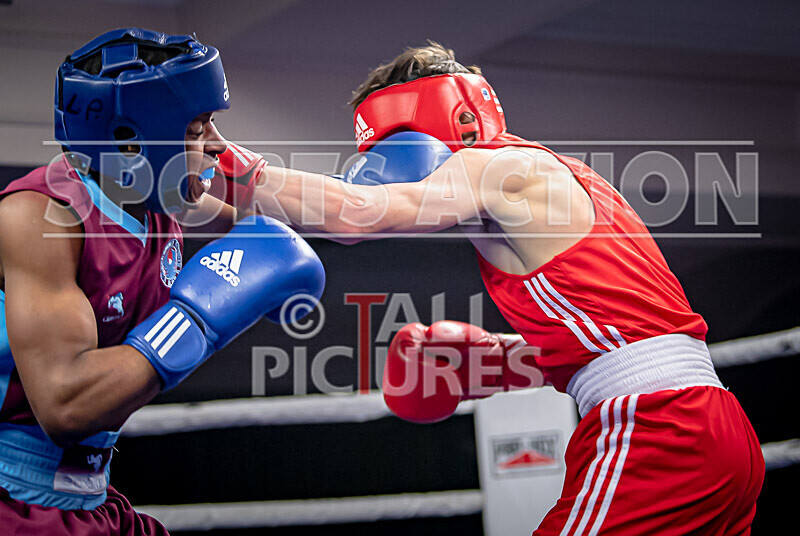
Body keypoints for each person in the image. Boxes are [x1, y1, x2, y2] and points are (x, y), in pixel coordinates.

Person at [247, 43, 764, 534]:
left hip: (655, 428)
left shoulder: (491, 165)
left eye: (399, 145)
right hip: (718, 427)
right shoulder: (564, 177)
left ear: (464, 123)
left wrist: (229, 168)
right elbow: (630, 336)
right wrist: (503, 361)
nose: (389, 169)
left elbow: (357, 215)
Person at [0, 28, 324, 535]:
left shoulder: (165, 203)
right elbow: (66, 405)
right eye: (197, 128)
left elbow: (270, 229)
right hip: (12, 502)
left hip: (88, 497)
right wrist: (197, 318)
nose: (218, 145)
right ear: (133, 140)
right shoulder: (41, 218)